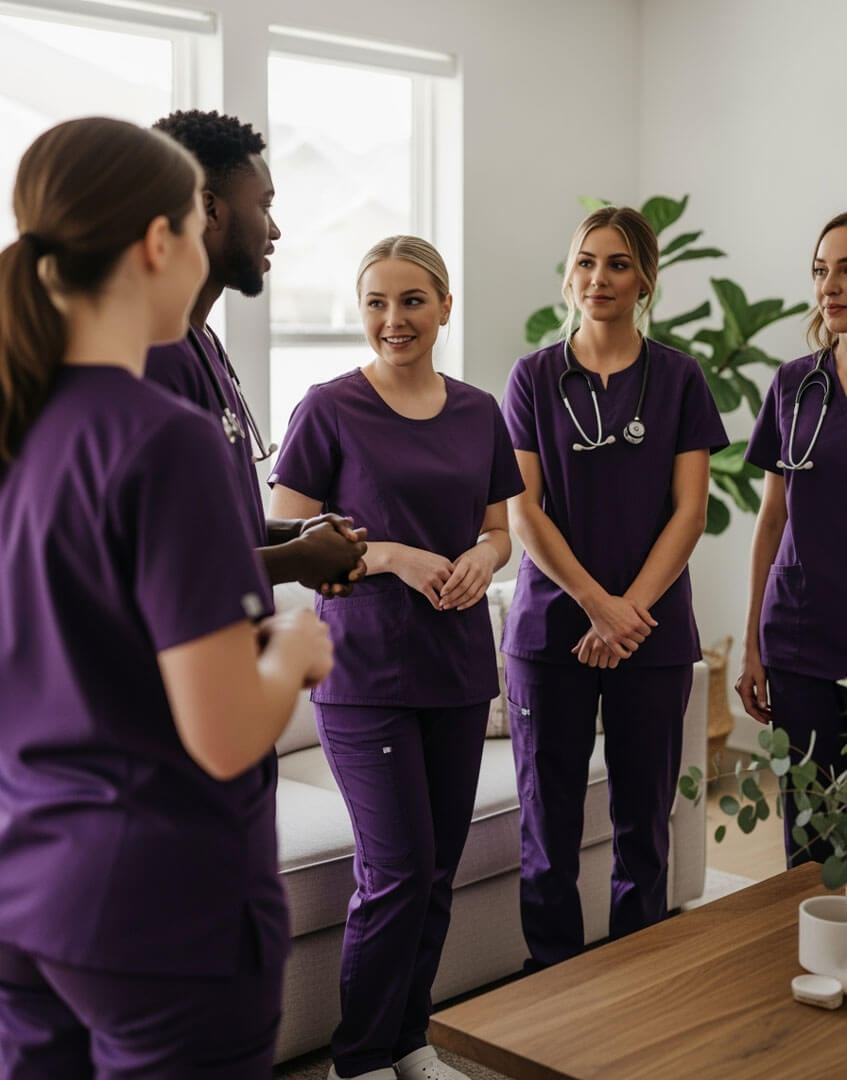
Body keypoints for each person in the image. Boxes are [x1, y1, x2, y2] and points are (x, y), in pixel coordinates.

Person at [0, 116, 332, 1077]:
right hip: (156, 901)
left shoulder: (20, 419)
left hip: (24, 887)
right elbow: (225, 731)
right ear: (159, 242)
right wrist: (294, 648)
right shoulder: (161, 438)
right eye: (198, 221)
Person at [268, 236, 524, 1080]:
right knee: (397, 868)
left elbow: (500, 532)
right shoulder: (328, 407)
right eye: (376, 302)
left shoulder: (478, 410)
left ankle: (409, 1038)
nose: (392, 319)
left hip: (455, 667)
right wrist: (392, 557)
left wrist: (484, 560)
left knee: (436, 871)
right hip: (363, 674)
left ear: (444, 306)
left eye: (412, 300)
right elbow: (281, 541)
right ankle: (360, 1057)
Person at [501, 206, 728, 970]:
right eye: (586, 261)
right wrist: (599, 605)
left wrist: (629, 612)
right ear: (569, 272)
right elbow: (523, 511)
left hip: (651, 636)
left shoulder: (678, 378)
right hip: (551, 633)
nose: (598, 278)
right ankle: (550, 986)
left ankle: (631, 988)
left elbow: (689, 511)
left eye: (618, 264)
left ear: (645, 280)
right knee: (547, 824)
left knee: (643, 825)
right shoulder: (532, 377)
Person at [146, 109, 366, 593]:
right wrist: (298, 559)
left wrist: (297, 534)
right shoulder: (153, 357)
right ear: (210, 209)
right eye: (264, 205)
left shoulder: (203, 342)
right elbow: (163, 563)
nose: (275, 230)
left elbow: (211, 524)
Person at [736, 211, 847, 866]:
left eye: (844, 270)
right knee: (810, 836)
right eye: (819, 270)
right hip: (799, 637)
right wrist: (749, 640)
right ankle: (807, 967)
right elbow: (770, 519)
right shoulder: (792, 385)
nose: (828, 286)